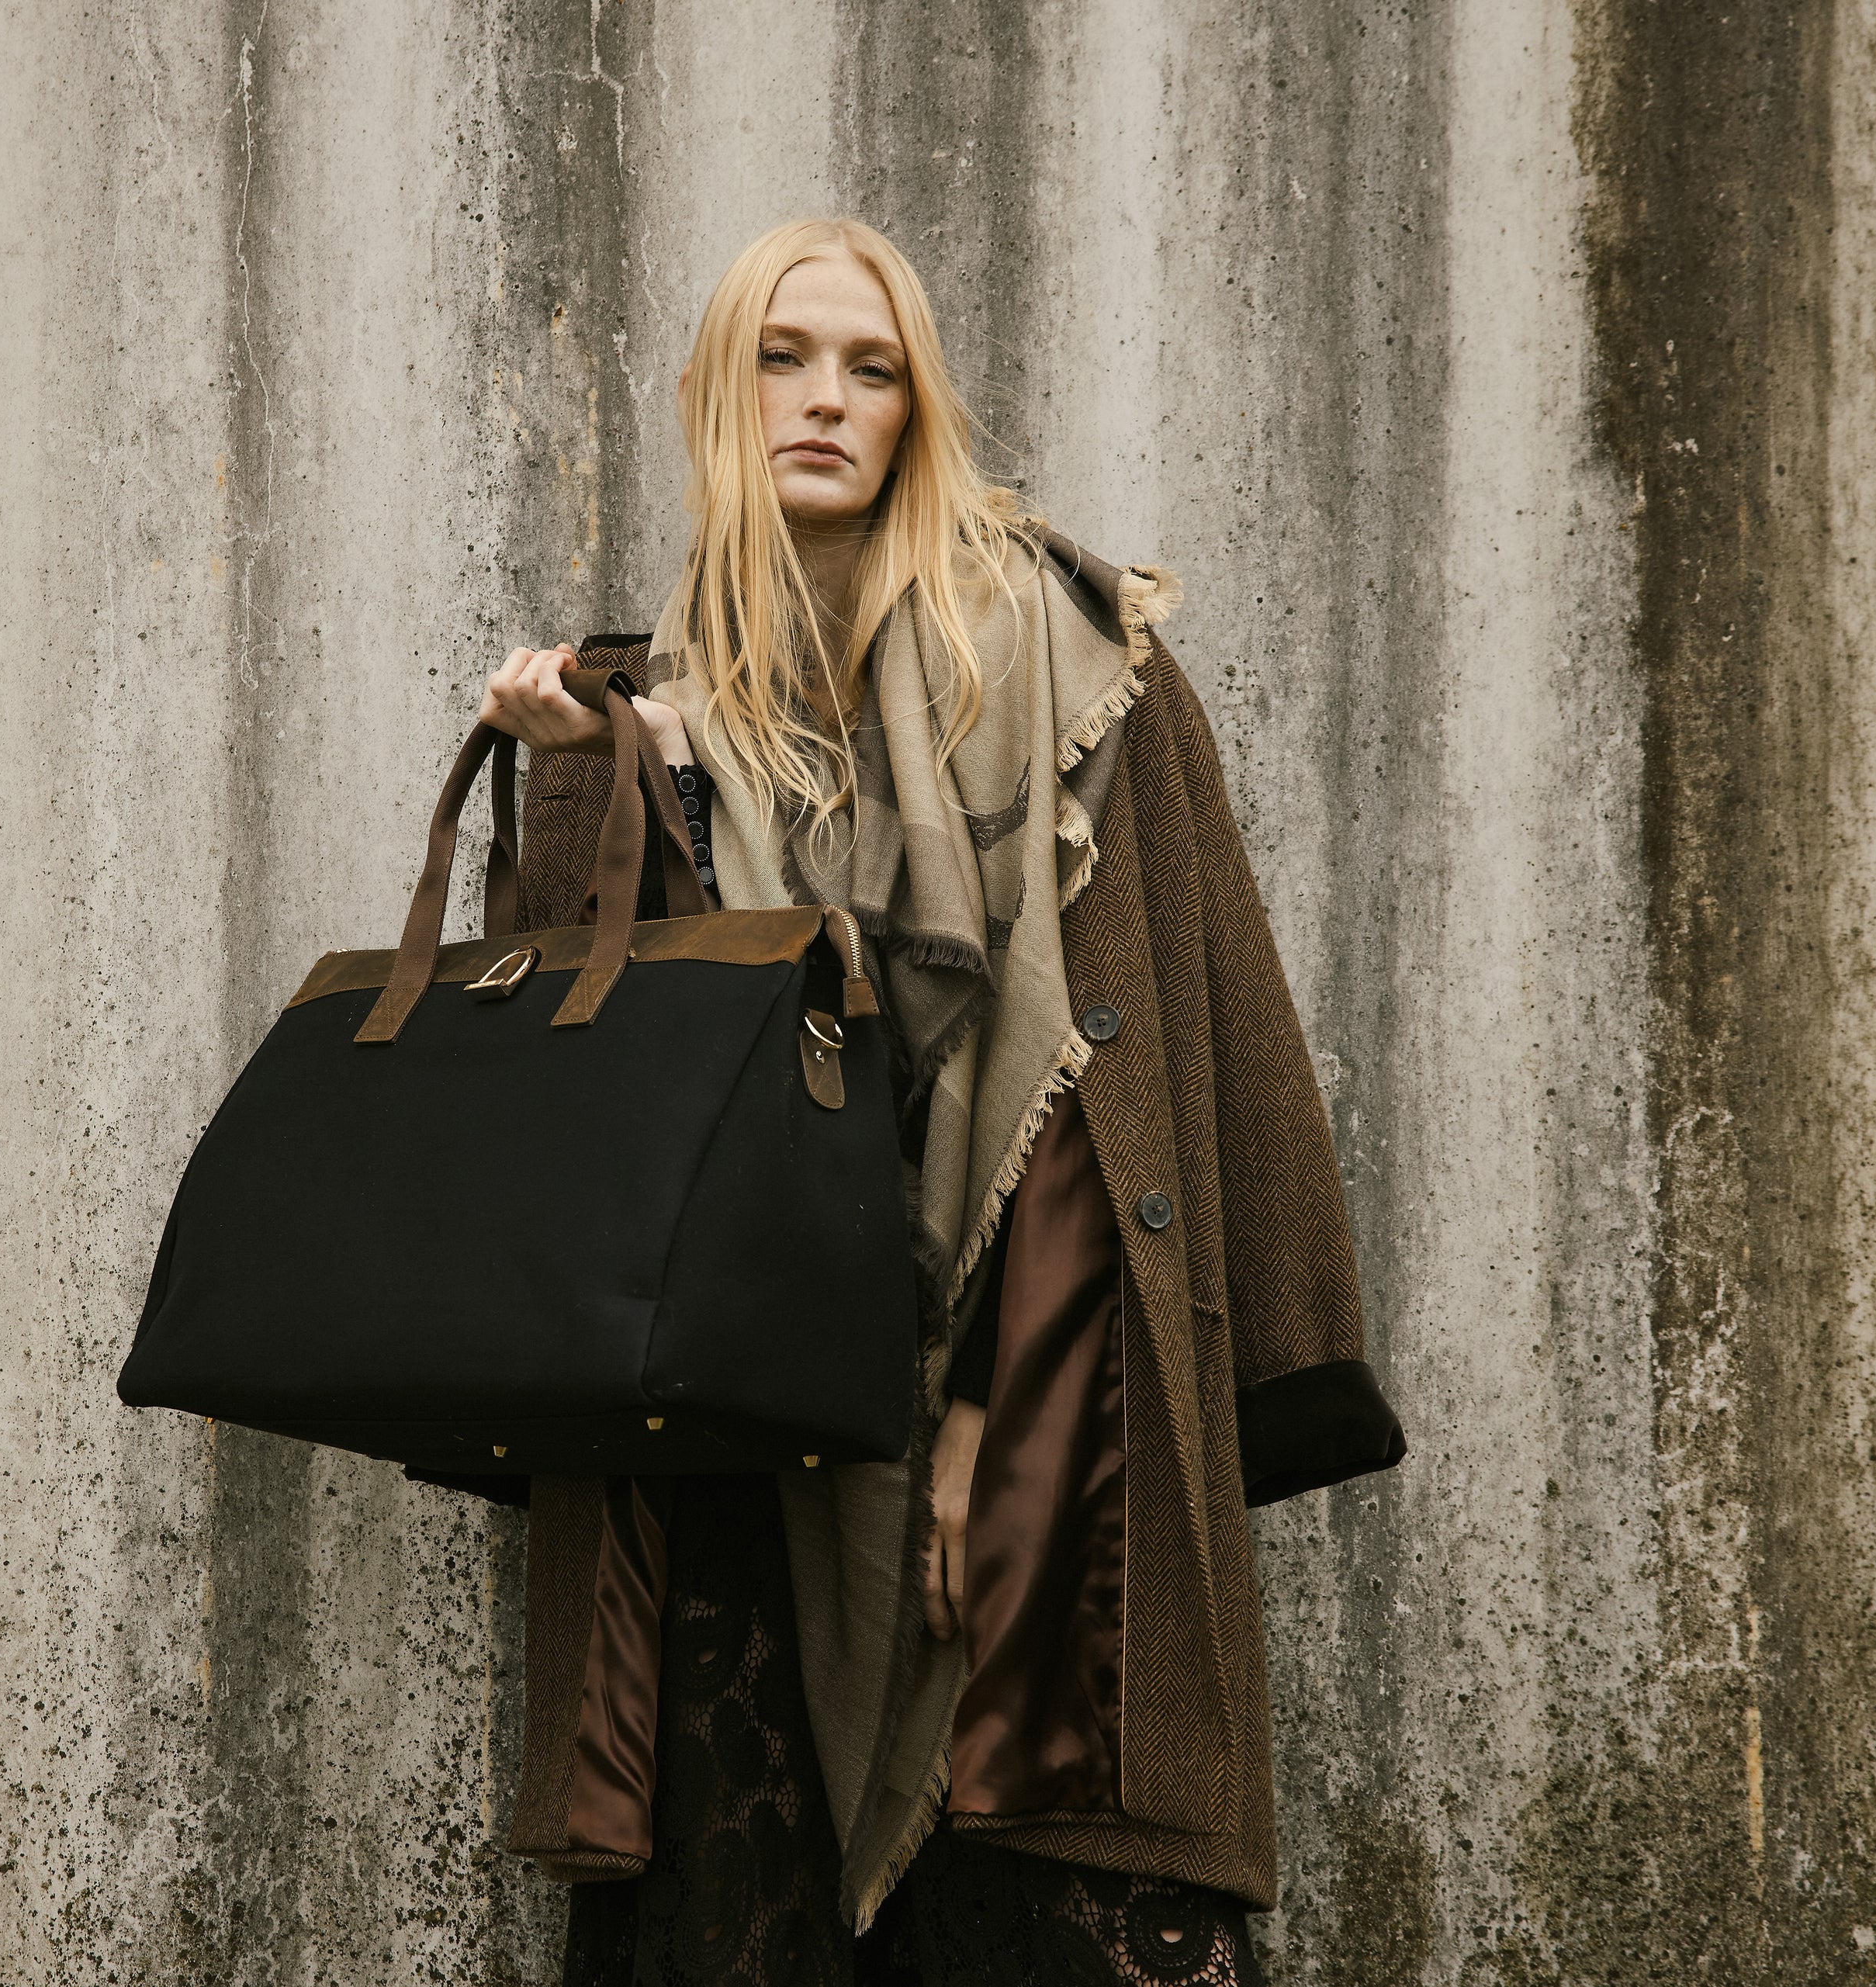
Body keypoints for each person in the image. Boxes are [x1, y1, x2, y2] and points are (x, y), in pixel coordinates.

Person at [459, 218, 1404, 1987]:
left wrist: (984, 1419)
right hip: (737, 1435)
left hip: (1035, 1406)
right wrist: (592, 790)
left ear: (918, 410)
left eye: (871, 367)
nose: (826, 399)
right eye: (782, 357)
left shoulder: (1068, 671)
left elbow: (1103, 1082)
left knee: (1031, 1875)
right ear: (713, 398)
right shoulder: (639, 695)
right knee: (750, 1900)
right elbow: (599, 1126)